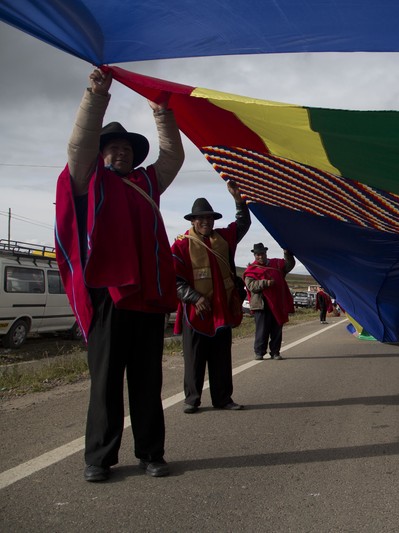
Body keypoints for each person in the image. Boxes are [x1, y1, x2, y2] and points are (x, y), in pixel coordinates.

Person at [54, 69, 183, 482]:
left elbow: (173, 158)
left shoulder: (148, 182)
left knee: (148, 380)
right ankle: (99, 458)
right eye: (112, 148)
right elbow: (78, 143)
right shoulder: (86, 182)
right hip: (108, 297)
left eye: (126, 148)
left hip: (148, 298)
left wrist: (162, 114)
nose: (121, 153)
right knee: (106, 382)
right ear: (100, 153)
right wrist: (96, 94)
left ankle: (151, 453)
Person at [172, 185, 251, 414]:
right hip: (196, 312)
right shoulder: (180, 245)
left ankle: (223, 398)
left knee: (221, 359)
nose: (206, 222)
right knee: (194, 359)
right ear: (193, 220)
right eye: (201, 218)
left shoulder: (224, 239)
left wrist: (239, 201)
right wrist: (194, 297)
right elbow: (174, 280)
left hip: (222, 309)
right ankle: (192, 399)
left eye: (209, 218)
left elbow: (243, 224)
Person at [244, 243, 295, 361]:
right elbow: (251, 286)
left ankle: (275, 352)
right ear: (254, 255)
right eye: (257, 255)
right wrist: (266, 283)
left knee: (277, 329)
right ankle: (259, 352)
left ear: (265, 253)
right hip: (261, 305)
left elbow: (289, 265)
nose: (260, 257)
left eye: (262, 254)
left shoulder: (276, 264)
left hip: (277, 303)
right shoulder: (251, 269)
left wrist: (287, 253)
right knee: (262, 330)